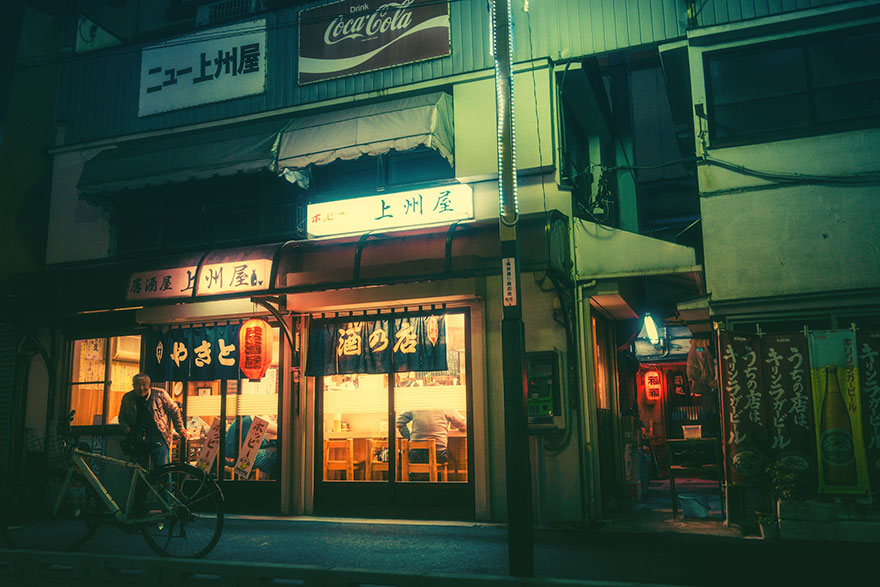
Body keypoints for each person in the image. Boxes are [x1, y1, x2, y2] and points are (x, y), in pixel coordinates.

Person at [118, 373, 188, 468]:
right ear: (133, 386)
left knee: (163, 470)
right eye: (138, 385)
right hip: (137, 438)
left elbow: (174, 410)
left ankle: (163, 483)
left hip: (159, 437)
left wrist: (180, 428)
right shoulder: (128, 398)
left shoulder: (160, 394)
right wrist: (125, 426)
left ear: (149, 385)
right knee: (137, 470)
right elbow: (122, 416)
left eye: (144, 385)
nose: (141, 388)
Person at [396, 409, 466, 464]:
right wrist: (453, 424)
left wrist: (409, 438)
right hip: (438, 455)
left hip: (416, 455)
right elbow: (464, 425)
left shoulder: (416, 406)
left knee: (414, 457)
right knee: (453, 460)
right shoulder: (446, 406)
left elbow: (399, 422)